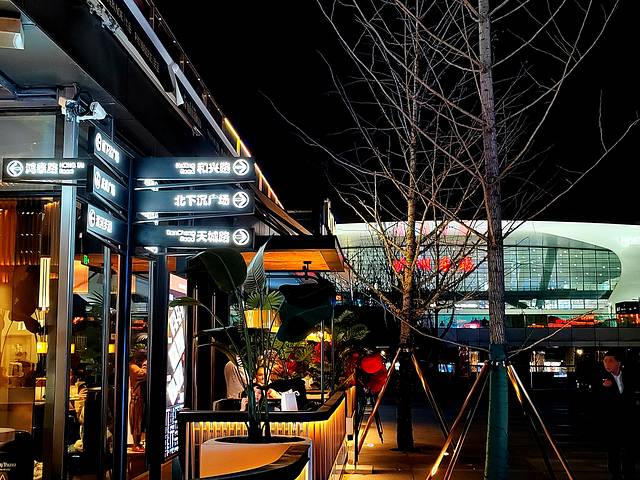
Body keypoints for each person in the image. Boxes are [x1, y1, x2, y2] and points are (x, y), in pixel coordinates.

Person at [600, 350, 640, 479]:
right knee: (613, 452)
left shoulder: (629, 376)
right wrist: (604, 388)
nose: (607, 364)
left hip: (629, 422)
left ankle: (629, 473)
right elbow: (598, 401)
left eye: (610, 360)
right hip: (612, 423)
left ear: (618, 362)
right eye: (605, 361)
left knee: (630, 450)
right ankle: (615, 475)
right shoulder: (602, 379)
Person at [129, 350, 147, 452]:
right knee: (137, 422)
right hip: (137, 399)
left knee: (140, 422)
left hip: (141, 398)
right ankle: (136, 444)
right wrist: (146, 364)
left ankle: (138, 443)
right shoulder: (133, 367)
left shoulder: (136, 366)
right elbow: (143, 374)